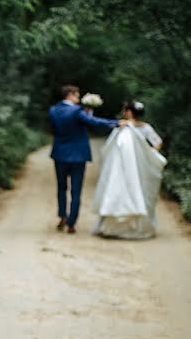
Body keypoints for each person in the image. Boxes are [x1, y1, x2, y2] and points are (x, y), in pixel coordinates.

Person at [49, 85, 127, 233]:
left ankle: (62, 216)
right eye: (77, 96)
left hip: (59, 154)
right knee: (76, 191)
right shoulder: (77, 111)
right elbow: (95, 123)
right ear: (71, 95)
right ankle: (71, 223)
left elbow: (53, 130)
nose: (78, 100)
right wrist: (116, 123)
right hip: (78, 155)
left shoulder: (53, 110)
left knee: (61, 187)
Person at [92, 101, 168, 239]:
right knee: (140, 192)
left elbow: (112, 146)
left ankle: (114, 226)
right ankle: (138, 226)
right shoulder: (146, 128)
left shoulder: (122, 127)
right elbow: (158, 142)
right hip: (140, 169)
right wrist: (148, 154)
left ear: (129, 112)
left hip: (122, 168)